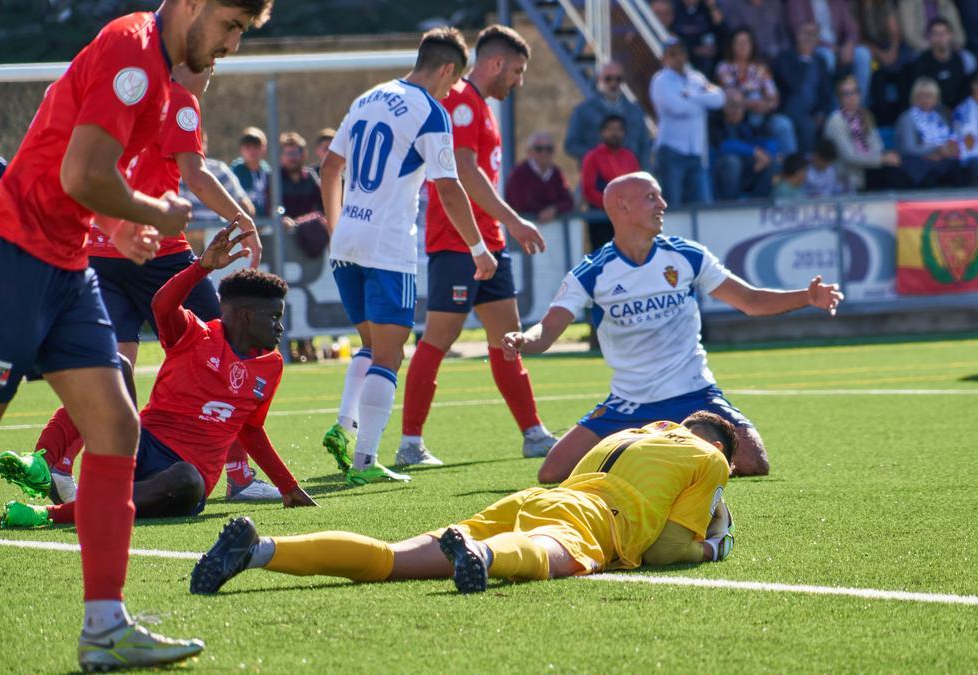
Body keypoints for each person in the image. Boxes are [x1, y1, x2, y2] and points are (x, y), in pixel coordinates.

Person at [0, 1, 271, 669]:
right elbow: (81, 173)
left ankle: (105, 625)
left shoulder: (160, 78)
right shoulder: (132, 51)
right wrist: (153, 212)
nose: (232, 45)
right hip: (10, 257)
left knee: (116, 426)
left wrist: (118, 229)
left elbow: (80, 178)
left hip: (70, 265)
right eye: (231, 26)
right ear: (192, 4)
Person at [10, 65, 271, 507]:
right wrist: (242, 219)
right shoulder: (180, 100)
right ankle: (240, 475)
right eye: (208, 62)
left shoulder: (119, 95)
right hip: (157, 253)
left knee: (109, 368)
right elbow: (197, 176)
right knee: (230, 351)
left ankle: (50, 460)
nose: (211, 72)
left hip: (103, 250)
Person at [501, 172, 843, 483]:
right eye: (651, 197)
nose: (662, 204)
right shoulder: (591, 272)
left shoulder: (687, 256)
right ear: (621, 206)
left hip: (696, 394)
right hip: (629, 403)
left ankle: (658, 457)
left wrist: (806, 297)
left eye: (660, 196)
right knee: (553, 472)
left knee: (754, 460)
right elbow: (547, 332)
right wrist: (523, 339)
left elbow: (750, 301)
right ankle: (654, 452)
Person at [191, 411, 739, 596]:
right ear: (718, 447)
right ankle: (483, 556)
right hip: (592, 517)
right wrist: (713, 547)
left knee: (390, 559)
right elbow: (669, 546)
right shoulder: (709, 457)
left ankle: (261, 550)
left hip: (535, 497)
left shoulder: (627, 434)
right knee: (553, 553)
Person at [0, 224, 315, 526]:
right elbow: (162, 305)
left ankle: (49, 514)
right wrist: (201, 267)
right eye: (274, 317)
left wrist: (287, 486)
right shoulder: (195, 333)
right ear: (246, 317)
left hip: (185, 480)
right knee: (116, 365)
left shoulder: (271, 366)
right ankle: (46, 461)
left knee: (187, 479)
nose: (280, 327)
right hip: (140, 449)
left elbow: (251, 430)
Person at [320, 28, 497, 484]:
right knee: (390, 354)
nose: (450, 92)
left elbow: (330, 166)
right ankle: (364, 461)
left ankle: (343, 426)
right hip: (388, 245)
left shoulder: (366, 98)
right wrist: (479, 248)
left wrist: (337, 225)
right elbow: (450, 187)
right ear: (447, 70)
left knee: (369, 344)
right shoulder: (431, 111)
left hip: (347, 240)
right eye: (452, 84)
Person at [400, 26, 557, 467]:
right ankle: (410, 443)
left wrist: (501, 231)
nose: (519, 82)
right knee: (438, 339)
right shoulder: (463, 102)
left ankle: (533, 433)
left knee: (508, 339)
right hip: (458, 244)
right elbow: (464, 172)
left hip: (489, 244)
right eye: (518, 71)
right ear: (496, 64)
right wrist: (515, 220)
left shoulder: (481, 107)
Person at [650, 37, 725, 206]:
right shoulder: (661, 80)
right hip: (671, 152)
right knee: (672, 206)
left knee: (703, 205)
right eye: (672, 54)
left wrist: (691, 97)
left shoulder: (696, 78)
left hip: (696, 152)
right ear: (664, 57)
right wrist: (701, 103)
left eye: (681, 52)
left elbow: (719, 98)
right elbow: (677, 108)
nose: (678, 58)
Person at [715, 27, 797, 156]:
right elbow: (731, 97)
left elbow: (773, 95)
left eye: (746, 42)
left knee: (783, 125)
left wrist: (766, 105)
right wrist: (752, 103)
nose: (743, 46)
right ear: (731, 46)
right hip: (739, 117)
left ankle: (791, 168)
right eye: (739, 43)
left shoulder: (761, 68)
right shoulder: (724, 67)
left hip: (763, 116)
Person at [564, 61, 652, 169]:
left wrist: (644, 175)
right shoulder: (583, 111)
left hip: (629, 176)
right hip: (596, 177)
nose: (613, 83)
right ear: (598, 80)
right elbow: (571, 145)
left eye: (618, 79)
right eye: (608, 79)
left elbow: (645, 146)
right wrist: (598, 156)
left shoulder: (635, 111)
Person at [823, 75, 903, 192]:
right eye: (846, 94)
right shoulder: (836, 120)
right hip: (849, 173)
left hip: (868, 166)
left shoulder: (865, 115)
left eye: (855, 92)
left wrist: (881, 158)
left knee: (898, 166)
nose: (852, 97)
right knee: (891, 172)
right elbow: (849, 156)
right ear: (839, 98)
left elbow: (877, 146)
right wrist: (881, 160)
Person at [787, 0, 873, 106]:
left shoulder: (836, 2)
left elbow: (852, 29)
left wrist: (849, 45)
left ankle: (857, 109)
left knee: (863, 55)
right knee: (827, 58)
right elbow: (800, 32)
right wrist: (832, 47)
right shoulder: (797, 2)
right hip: (814, 49)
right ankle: (832, 112)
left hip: (838, 47)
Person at [580, 115, 640, 250]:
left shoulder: (629, 157)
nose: (615, 133)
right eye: (610, 129)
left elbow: (639, 187)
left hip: (627, 219)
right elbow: (588, 189)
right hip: (601, 218)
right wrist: (613, 205)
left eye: (619, 129)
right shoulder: (592, 157)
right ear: (602, 133)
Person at [775, 22, 834, 154]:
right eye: (805, 33)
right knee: (807, 124)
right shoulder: (785, 57)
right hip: (789, 107)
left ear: (818, 39)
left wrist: (821, 112)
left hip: (813, 109)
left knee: (836, 121)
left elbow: (826, 92)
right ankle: (805, 164)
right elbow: (792, 85)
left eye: (813, 34)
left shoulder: (820, 61)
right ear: (797, 36)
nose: (809, 38)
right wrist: (805, 59)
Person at [896, 77, 963, 188]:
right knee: (928, 174)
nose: (925, 99)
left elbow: (951, 139)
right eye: (921, 96)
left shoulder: (941, 116)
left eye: (929, 96)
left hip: (941, 157)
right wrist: (934, 150)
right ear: (914, 98)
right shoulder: (907, 118)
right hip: (917, 160)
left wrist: (944, 151)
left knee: (957, 168)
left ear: (936, 98)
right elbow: (908, 148)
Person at [710, 94, 776, 199]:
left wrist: (767, 156)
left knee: (772, 161)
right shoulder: (714, 122)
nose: (737, 110)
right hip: (720, 173)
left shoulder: (746, 123)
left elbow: (767, 141)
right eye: (733, 106)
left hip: (748, 169)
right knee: (732, 161)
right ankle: (729, 204)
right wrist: (754, 152)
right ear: (723, 107)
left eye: (740, 106)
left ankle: (758, 203)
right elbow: (723, 146)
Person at [181, 130, 256, 222]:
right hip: (190, 233)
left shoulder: (219, 169)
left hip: (220, 232)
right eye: (194, 141)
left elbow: (245, 205)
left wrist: (244, 224)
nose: (198, 145)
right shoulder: (177, 173)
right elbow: (179, 216)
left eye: (202, 141)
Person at [504, 132, 574, 223]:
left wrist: (554, 210)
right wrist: (541, 211)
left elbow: (568, 201)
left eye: (549, 149)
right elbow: (518, 202)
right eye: (539, 149)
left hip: (554, 230)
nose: (544, 153)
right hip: (524, 228)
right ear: (529, 152)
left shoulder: (556, 173)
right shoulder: (519, 173)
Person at [907, 18, 969, 108]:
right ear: (929, 37)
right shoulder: (921, 62)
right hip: (930, 110)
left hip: (955, 110)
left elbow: (962, 90)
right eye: (935, 34)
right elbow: (918, 95)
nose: (940, 37)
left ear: (950, 35)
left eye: (944, 33)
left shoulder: (958, 60)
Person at [718, 0, 789, 62]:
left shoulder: (775, 3)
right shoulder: (733, 5)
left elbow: (783, 32)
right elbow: (737, 36)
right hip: (752, 58)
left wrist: (783, 52)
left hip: (778, 55)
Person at [231, 126, 271, 217]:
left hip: (267, 225)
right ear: (241, 149)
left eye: (256, 145)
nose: (252, 150)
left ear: (264, 148)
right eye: (247, 146)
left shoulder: (269, 173)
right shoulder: (234, 173)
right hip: (242, 225)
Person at [897, 0, 966, 54]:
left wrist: (955, 43)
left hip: (947, 46)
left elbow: (958, 32)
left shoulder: (946, 2)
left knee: (969, 60)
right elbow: (911, 36)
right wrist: (934, 48)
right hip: (921, 48)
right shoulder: (908, 3)